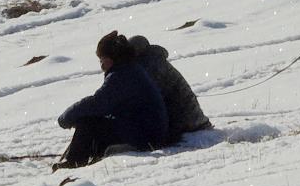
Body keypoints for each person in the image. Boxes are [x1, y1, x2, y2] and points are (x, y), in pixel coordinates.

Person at [53, 31, 168, 170]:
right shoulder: (129, 68)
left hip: (146, 135)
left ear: (112, 57)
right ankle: (86, 155)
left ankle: (74, 162)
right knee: (98, 122)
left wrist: (67, 117)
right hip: (147, 131)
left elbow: (98, 104)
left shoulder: (121, 75)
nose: (101, 64)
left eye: (102, 58)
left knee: (88, 122)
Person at [126, 35, 214, 144]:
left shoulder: (149, 65)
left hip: (186, 124)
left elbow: (148, 100)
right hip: (194, 119)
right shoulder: (155, 60)